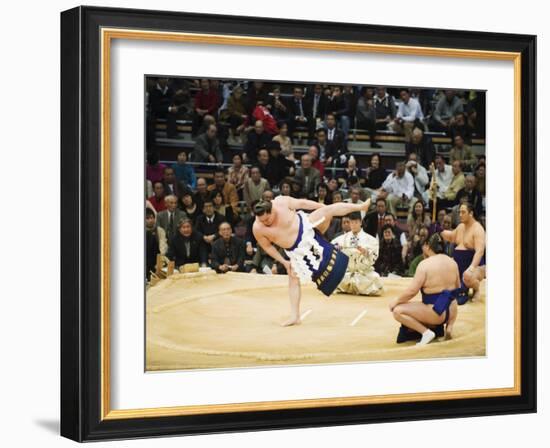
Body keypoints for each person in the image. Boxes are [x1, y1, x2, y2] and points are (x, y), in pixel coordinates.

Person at [252, 196, 372, 326]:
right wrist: (284, 262)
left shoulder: (281, 202)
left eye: (267, 218)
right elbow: (267, 247)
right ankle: (295, 316)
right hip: (296, 251)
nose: (266, 222)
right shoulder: (258, 228)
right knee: (293, 278)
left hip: (308, 227)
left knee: (328, 210)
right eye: (262, 220)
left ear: (271, 209)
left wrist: (320, 207)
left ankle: (360, 207)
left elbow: (302, 203)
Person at [389, 233, 460, 345]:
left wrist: (396, 301)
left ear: (427, 246)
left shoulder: (424, 264)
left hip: (436, 313)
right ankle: (449, 327)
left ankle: (426, 332)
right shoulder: (453, 262)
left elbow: (412, 291)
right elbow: (457, 287)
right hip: (452, 311)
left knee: (397, 311)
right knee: (450, 298)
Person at [441, 202, 486, 302]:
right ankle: (462, 288)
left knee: (467, 278)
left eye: (463, 212)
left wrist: (471, 268)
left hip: (475, 266)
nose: (460, 215)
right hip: (459, 267)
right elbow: (451, 237)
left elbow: (480, 251)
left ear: (471, 213)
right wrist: (440, 231)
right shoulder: (461, 227)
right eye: (459, 212)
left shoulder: (478, 229)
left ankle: (476, 289)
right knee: (446, 286)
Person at [331, 212, 383, 295]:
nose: (353, 225)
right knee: (332, 276)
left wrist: (366, 252)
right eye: (351, 222)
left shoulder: (370, 239)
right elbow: (332, 247)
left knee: (375, 278)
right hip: (346, 272)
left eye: (356, 222)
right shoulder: (342, 238)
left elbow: (374, 255)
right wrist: (337, 249)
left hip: (363, 273)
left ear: (361, 222)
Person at [145, 208, 168, 279]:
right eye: (147, 218)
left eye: (152, 218)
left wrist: (160, 260)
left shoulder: (160, 230)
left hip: (158, 258)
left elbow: (163, 245)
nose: (151, 220)